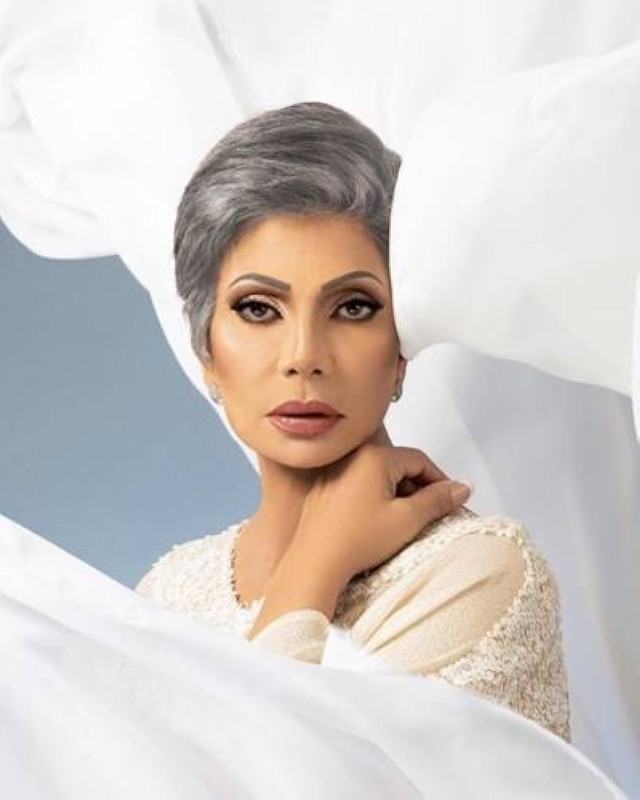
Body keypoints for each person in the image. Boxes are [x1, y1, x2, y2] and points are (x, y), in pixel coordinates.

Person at [134, 101, 571, 743]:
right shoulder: (165, 595)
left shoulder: (476, 574)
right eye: (258, 309)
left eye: (353, 307)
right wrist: (318, 554)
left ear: (400, 350)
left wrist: (317, 563)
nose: (304, 356)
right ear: (206, 350)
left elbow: (268, 773)